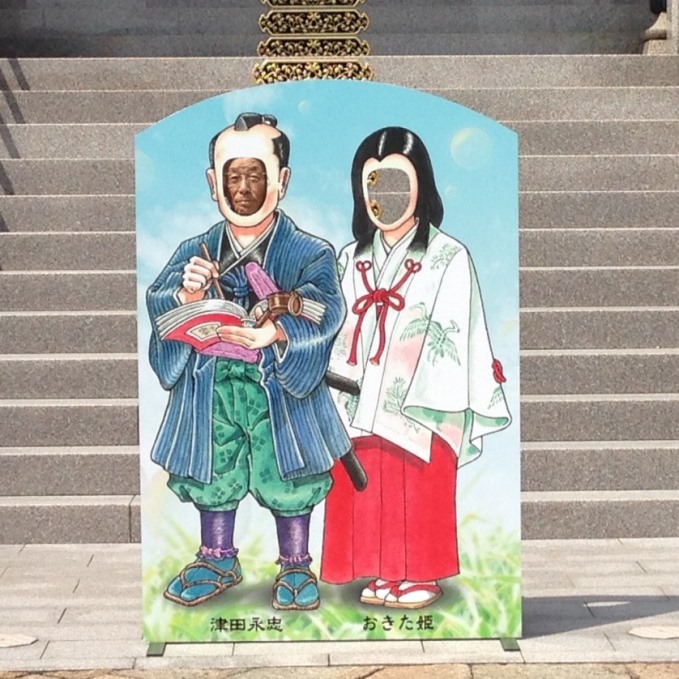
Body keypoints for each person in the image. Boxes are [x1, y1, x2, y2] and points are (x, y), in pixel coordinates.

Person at [146, 112, 350, 611]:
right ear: (212, 183)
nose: (243, 188)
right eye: (232, 176)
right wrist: (187, 294)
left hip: (278, 382)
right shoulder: (194, 251)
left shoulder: (308, 251)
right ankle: (217, 558)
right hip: (210, 383)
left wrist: (274, 331)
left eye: (255, 175)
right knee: (213, 466)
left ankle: (295, 564)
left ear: (282, 180)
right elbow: (160, 303)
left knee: (288, 469)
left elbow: (325, 307)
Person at [321, 126, 512, 609]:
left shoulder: (449, 256)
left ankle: (420, 575)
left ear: (420, 186)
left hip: (421, 398)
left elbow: (453, 330)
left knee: (414, 483)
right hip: (356, 390)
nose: (383, 197)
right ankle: (382, 572)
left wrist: (400, 380)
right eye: (373, 184)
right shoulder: (351, 258)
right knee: (366, 481)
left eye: (396, 183)